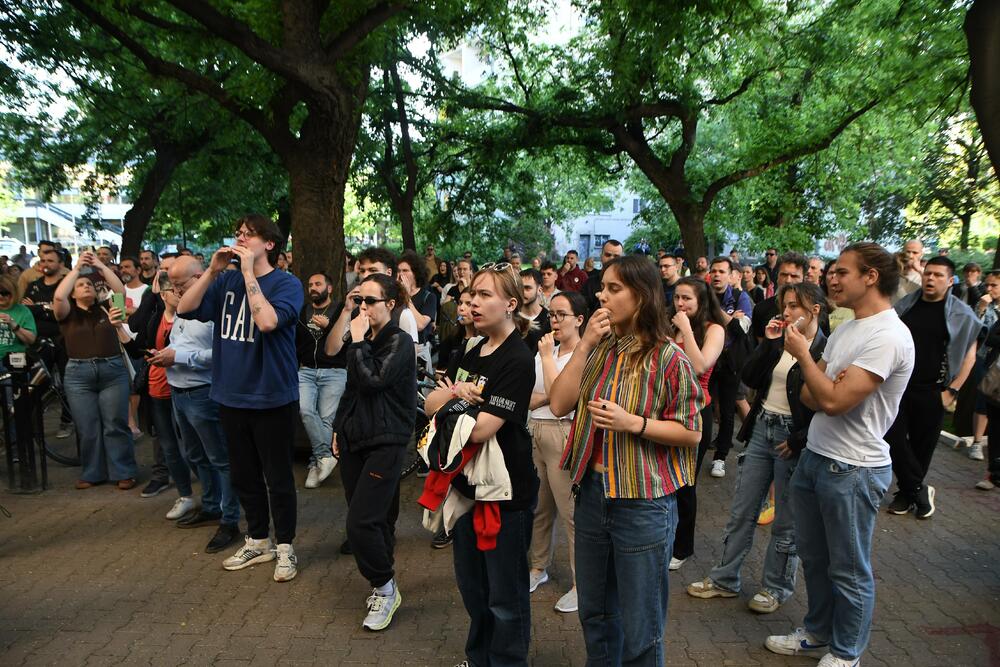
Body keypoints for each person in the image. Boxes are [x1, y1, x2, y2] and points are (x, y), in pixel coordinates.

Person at [548, 255, 704, 665]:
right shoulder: (600, 348)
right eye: (602, 287)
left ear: (642, 295)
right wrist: (584, 344)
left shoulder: (669, 357)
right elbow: (559, 403)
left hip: (643, 501)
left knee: (641, 627)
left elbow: (692, 432)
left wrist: (634, 423)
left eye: (614, 289)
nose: (602, 296)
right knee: (595, 613)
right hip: (592, 493)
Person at [765, 242, 912, 667]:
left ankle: (847, 653)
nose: (831, 278)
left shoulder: (888, 335)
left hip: (853, 468)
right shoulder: (848, 330)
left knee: (848, 569)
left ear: (871, 277)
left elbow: (832, 401)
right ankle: (817, 633)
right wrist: (827, 380)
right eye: (831, 271)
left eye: (842, 272)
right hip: (816, 456)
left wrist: (807, 361)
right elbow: (811, 396)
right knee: (814, 559)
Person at [422, 263, 538, 667]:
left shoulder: (517, 358)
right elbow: (430, 404)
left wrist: (454, 400)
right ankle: (478, 658)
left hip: (504, 494)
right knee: (473, 589)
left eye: (485, 295)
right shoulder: (471, 349)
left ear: (511, 304)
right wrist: (461, 395)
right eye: (472, 294)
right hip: (465, 487)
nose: (473, 302)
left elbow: (481, 430)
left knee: (505, 596)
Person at [688, 281, 828, 615]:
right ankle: (725, 579)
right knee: (742, 510)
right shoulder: (782, 340)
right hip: (763, 427)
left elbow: (825, 403)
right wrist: (768, 343)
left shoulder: (825, 349)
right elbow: (749, 378)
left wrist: (799, 438)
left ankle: (775, 587)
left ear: (814, 311)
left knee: (786, 521)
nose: (787, 312)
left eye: (794, 306)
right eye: (785, 305)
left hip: (792, 438)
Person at [177, 214, 303, 582]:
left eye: (250, 234)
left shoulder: (287, 284)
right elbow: (185, 308)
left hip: (272, 396)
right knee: (244, 476)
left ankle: (286, 547)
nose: (241, 238)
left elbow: (266, 322)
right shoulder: (226, 280)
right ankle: (258, 540)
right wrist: (212, 271)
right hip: (231, 395)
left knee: (278, 478)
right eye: (239, 233)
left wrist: (248, 273)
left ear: (269, 244)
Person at [332, 273, 416, 631]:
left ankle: (384, 586)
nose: (363, 307)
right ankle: (384, 580)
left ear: (390, 304)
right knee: (375, 518)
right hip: (355, 440)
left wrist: (356, 342)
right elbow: (352, 389)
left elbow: (374, 380)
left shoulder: (399, 341)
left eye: (370, 301)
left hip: (386, 441)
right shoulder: (363, 340)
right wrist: (339, 427)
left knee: (360, 523)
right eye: (359, 300)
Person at [152, 255, 242, 553]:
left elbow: (222, 353)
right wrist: (165, 353)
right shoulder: (185, 305)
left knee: (220, 458)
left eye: (180, 284)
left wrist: (178, 357)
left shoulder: (215, 306)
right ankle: (211, 505)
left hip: (203, 393)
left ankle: (230, 519)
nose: (176, 290)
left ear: (199, 275)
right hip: (178, 391)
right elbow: (183, 342)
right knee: (196, 455)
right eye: (173, 285)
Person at [884, 256, 980, 519]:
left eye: (938, 275)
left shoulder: (962, 315)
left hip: (934, 390)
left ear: (950, 281)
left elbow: (969, 356)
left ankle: (906, 494)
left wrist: (952, 392)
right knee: (892, 438)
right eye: (928, 273)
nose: (931, 279)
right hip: (899, 386)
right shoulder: (907, 304)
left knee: (922, 446)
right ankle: (919, 489)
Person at [53, 250, 136, 490]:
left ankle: (123, 471)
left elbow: (120, 290)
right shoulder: (66, 313)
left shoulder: (107, 308)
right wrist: (77, 270)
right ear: (73, 293)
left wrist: (99, 265)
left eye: (89, 284)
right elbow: (58, 296)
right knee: (87, 426)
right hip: (78, 375)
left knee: (115, 423)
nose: (86, 286)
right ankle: (92, 472)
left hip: (112, 370)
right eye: (80, 285)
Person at [527, 291, 588, 614]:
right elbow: (530, 395)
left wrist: (549, 369)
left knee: (571, 513)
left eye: (561, 314)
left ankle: (582, 584)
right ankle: (538, 567)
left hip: (563, 432)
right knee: (540, 508)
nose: (554, 320)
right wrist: (547, 393)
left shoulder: (580, 354)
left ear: (579, 319)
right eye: (551, 314)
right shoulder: (545, 351)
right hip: (536, 431)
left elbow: (559, 399)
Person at [667, 277, 726, 572]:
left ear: (701, 301)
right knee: (665, 480)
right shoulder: (670, 326)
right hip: (665, 411)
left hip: (694, 412)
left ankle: (682, 547)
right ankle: (664, 538)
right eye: (677, 297)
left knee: (685, 483)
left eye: (687, 298)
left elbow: (701, 365)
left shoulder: (713, 329)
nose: (680, 304)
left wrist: (687, 330)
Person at [297, 272, 346, 489]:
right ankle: (325, 457)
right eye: (310, 285)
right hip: (306, 371)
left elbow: (348, 340)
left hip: (334, 371)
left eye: (318, 284)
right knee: (305, 411)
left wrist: (329, 327)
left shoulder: (341, 310)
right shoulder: (303, 311)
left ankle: (314, 465)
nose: (313, 288)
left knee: (326, 419)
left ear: (329, 288)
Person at [708, 256, 754, 477]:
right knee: (704, 407)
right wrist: (729, 318)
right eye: (714, 271)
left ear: (730, 275)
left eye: (721, 271)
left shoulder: (739, 297)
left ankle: (720, 457)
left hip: (730, 362)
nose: (717, 275)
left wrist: (718, 315)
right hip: (706, 359)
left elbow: (741, 329)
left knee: (727, 411)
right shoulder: (703, 294)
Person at [968, 270, 1000, 461]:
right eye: (986, 284)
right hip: (985, 359)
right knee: (983, 399)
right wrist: (980, 308)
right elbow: (972, 329)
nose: (988, 289)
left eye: (993, 285)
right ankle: (977, 443)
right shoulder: (983, 304)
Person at [751, 252, 808, 342]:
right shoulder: (761, 309)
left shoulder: (813, 310)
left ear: (803, 279)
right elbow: (759, 345)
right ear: (777, 276)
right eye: (784, 275)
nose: (788, 280)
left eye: (794, 276)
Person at [398, 250, 437, 371]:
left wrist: (406, 296)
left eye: (405, 270)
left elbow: (420, 325)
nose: (400, 274)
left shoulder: (429, 297)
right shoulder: (394, 295)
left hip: (419, 352)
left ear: (415, 273)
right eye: (398, 271)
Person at [581, 240, 623, 312]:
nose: (611, 259)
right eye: (608, 255)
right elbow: (582, 308)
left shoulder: (627, 283)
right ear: (601, 256)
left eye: (616, 256)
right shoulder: (590, 283)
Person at [519, 268, 550, 354]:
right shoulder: (510, 316)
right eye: (520, 288)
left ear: (539, 290)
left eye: (527, 288)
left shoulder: (548, 319)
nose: (522, 292)